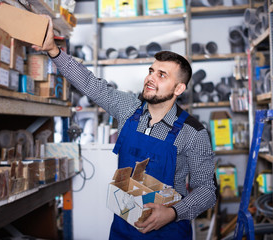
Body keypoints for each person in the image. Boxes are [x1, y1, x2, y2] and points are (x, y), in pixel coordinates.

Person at [33, 16, 216, 240]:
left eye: (161, 75)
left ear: (179, 88)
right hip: (124, 228)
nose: (150, 78)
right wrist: (53, 50)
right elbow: (90, 84)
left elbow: (206, 190)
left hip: (168, 230)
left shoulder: (193, 132)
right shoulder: (129, 108)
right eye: (151, 70)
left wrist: (172, 212)